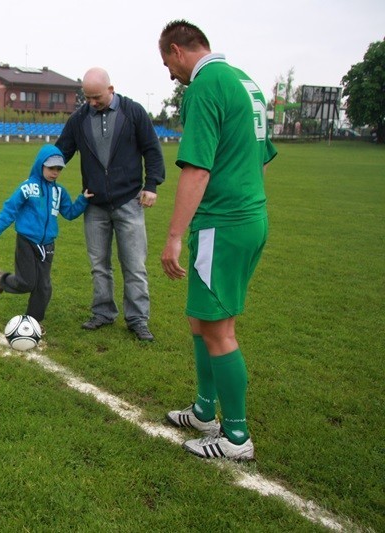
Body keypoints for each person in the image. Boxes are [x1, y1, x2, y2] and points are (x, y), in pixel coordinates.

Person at [158, 20, 277, 461]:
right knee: (200, 320)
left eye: (167, 63)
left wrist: (174, 237)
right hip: (250, 217)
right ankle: (205, 410)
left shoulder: (204, 86)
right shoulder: (247, 83)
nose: (170, 74)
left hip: (222, 224)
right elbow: (263, 160)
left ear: (177, 50)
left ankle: (237, 438)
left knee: (218, 329)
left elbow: (197, 169)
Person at [56, 67, 165, 341]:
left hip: (129, 201)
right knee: (98, 265)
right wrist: (42, 177)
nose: (92, 103)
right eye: (87, 98)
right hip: (94, 204)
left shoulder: (134, 112)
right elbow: (61, 152)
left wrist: (151, 185)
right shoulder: (79, 119)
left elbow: (152, 148)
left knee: (134, 265)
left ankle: (138, 319)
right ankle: (103, 313)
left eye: (96, 97)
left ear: (111, 90)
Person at [0, 144, 93, 331]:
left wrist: (83, 200)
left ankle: (33, 322)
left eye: (58, 169)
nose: (55, 172)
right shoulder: (27, 188)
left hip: (48, 244)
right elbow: (10, 209)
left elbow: (69, 213)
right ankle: (2, 280)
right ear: (40, 165)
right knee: (27, 282)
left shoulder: (59, 192)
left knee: (43, 287)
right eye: (51, 168)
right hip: (27, 241)